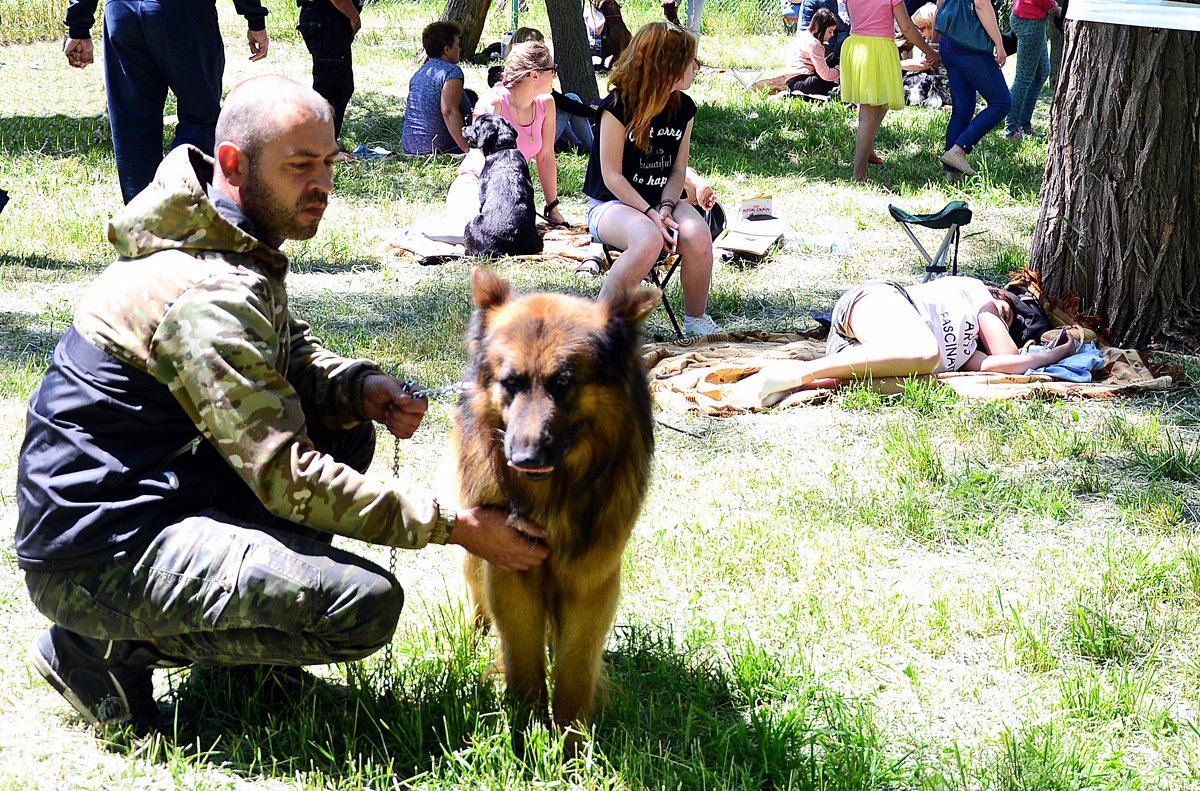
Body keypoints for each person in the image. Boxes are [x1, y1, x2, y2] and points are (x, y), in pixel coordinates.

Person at [16, 76, 549, 735]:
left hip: (157, 496)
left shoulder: (229, 239)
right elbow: (286, 475)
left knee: (345, 433)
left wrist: (357, 390)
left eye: (328, 162)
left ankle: (244, 662)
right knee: (363, 605)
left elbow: (288, 357)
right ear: (235, 165)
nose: (322, 182)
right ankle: (98, 649)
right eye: (300, 166)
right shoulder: (203, 289)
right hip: (98, 553)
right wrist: (453, 525)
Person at [729, 276, 1077, 407]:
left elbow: (1005, 366)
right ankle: (790, 374)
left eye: (1007, 323)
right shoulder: (975, 292)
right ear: (996, 294)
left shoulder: (971, 353)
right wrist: (1004, 320)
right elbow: (1009, 352)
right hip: (877, 303)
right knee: (926, 353)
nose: (1001, 321)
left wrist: (1052, 356)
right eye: (1005, 314)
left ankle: (794, 385)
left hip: (862, 351)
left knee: (927, 383)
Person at [583, 22, 720, 339]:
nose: (695, 67)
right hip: (612, 203)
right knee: (648, 239)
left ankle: (696, 319)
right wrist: (650, 214)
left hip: (661, 200)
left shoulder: (683, 107)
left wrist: (668, 208)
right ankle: (599, 326)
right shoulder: (617, 107)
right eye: (689, 61)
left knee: (697, 233)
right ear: (667, 66)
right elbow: (612, 176)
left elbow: (676, 170)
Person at [62, 0, 270, 204]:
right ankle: (180, 206)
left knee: (133, 126)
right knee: (200, 119)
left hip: (121, 12)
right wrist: (254, 17)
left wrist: (78, 25)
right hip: (182, 12)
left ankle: (142, 221)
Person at [422, 41, 569, 243]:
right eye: (552, 70)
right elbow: (478, 154)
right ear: (534, 75)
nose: (554, 75)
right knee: (473, 235)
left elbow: (545, 157)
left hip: (508, 189)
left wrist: (553, 207)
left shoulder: (546, 103)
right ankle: (418, 232)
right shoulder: (493, 102)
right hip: (476, 184)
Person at [840, 0, 940, 181]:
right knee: (868, 113)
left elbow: (852, 16)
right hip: (877, 49)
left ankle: (867, 147)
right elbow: (907, 28)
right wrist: (929, 51)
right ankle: (859, 175)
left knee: (881, 101)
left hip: (855, 45)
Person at [933, 0, 1011, 180]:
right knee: (1001, 103)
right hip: (971, 46)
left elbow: (940, 4)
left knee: (962, 110)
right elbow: (981, 4)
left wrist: (934, 42)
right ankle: (959, 150)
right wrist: (999, 44)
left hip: (949, 42)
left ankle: (951, 176)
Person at [504, 27, 597, 154]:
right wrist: (595, 112)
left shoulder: (512, 76)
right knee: (570, 100)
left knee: (559, 105)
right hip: (532, 140)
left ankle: (577, 145)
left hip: (526, 136)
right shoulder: (534, 82)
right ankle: (592, 148)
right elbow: (567, 104)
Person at [401, 21, 472, 155]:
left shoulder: (420, 72)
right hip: (438, 149)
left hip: (410, 148)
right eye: (457, 44)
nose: (460, 49)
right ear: (446, 49)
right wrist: (467, 149)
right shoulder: (451, 72)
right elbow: (449, 111)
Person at [298, 0, 362, 142]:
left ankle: (323, 145)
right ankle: (320, 147)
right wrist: (355, 18)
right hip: (328, 20)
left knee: (337, 86)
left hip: (326, 19)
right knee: (333, 88)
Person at [1002, 0, 1061, 141]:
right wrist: (1056, 9)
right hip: (1029, 21)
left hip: (1032, 19)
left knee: (1041, 72)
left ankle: (1023, 124)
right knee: (1023, 78)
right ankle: (1010, 130)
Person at [899, 3, 951, 108]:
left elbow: (923, 64)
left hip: (944, 88)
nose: (921, 33)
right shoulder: (935, 41)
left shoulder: (941, 43)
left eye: (922, 28)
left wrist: (894, 64)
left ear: (931, 25)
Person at [784, 8, 842, 98]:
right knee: (829, 72)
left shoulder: (804, 35)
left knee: (831, 63)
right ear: (822, 29)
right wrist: (839, 70)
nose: (832, 35)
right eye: (830, 31)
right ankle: (836, 90)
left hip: (792, 80)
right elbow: (825, 74)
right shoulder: (814, 44)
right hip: (802, 82)